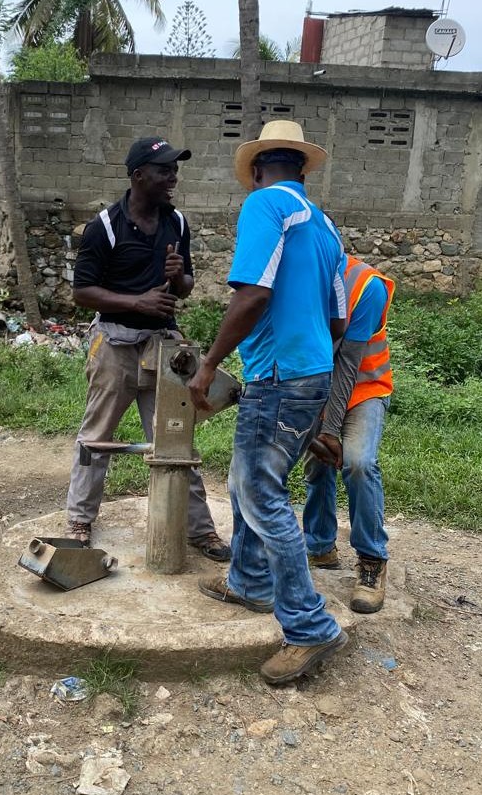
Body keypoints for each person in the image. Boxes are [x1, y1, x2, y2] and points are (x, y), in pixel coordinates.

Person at [188, 120, 349, 685]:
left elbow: (254, 292)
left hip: (278, 374)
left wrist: (210, 363)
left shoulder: (265, 206)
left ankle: (309, 625)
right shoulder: (327, 227)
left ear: (257, 170)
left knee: (260, 492)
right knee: (247, 481)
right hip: (312, 371)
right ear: (302, 169)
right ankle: (249, 580)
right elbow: (338, 320)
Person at [65, 136, 229, 561]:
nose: (173, 178)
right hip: (114, 345)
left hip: (164, 348)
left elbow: (186, 287)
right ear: (138, 175)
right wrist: (136, 303)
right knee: (97, 436)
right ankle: (79, 520)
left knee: (176, 438)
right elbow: (82, 292)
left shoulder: (177, 223)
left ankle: (200, 530)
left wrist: (178, 277)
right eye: (164, 170)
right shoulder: (105, 227)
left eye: (174, 170)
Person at [303, 254, 395, 614]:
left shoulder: (366, 286)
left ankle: (372, 560)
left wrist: (329, 428)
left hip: (365, 388)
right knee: (316, 463)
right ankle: (320, 546)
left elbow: (347, 364)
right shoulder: (297, 274)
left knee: (357, 462)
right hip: (317, 386)